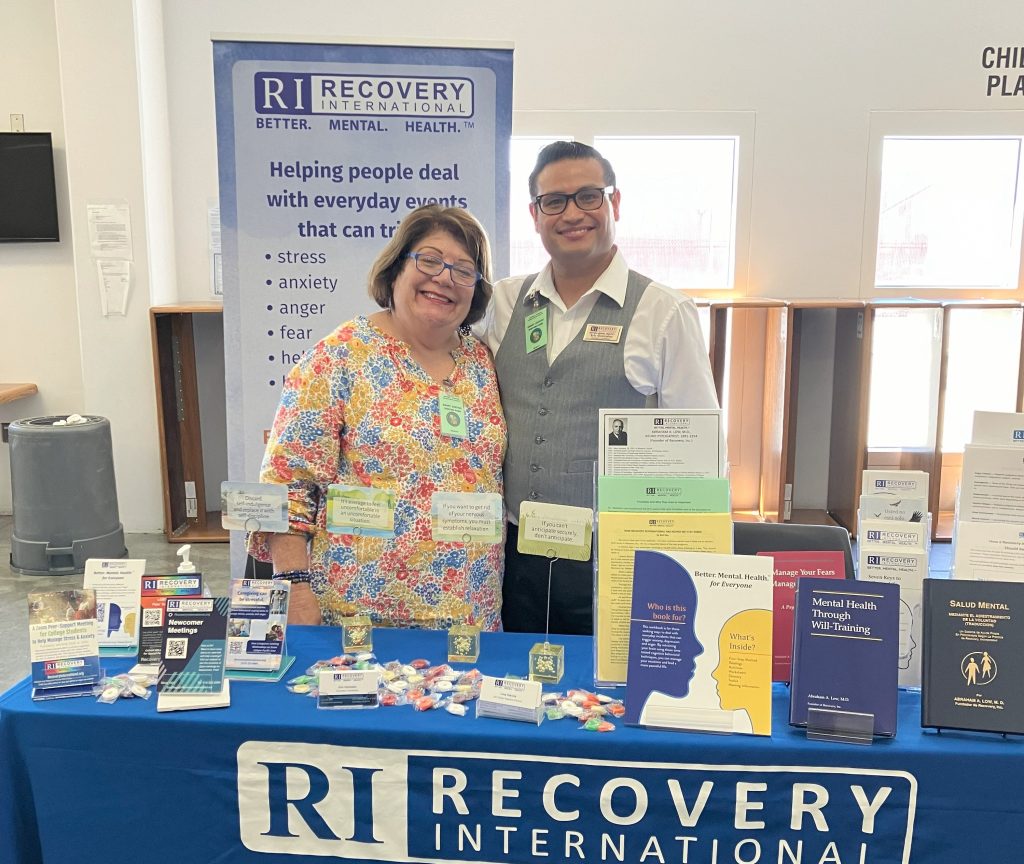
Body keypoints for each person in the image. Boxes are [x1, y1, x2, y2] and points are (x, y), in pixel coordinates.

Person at [478, 141, 719, 635]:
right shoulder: (503, 301)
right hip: (512, 555)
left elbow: (701, 454)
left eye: (588, 196)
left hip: (611, 561)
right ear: (535, 213)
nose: (572, 213)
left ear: (615, 203)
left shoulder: (663, 311)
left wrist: (688, 574)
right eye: (554, 201)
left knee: (601, 700)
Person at [249, 205, 506, 630]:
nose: (444, 278)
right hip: (360, 620)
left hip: (470, 617)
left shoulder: (481, 363)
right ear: (395, 269)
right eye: (429, 260)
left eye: (464, 270)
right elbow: (287, 484)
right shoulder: (340, 356)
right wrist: (293, 584)